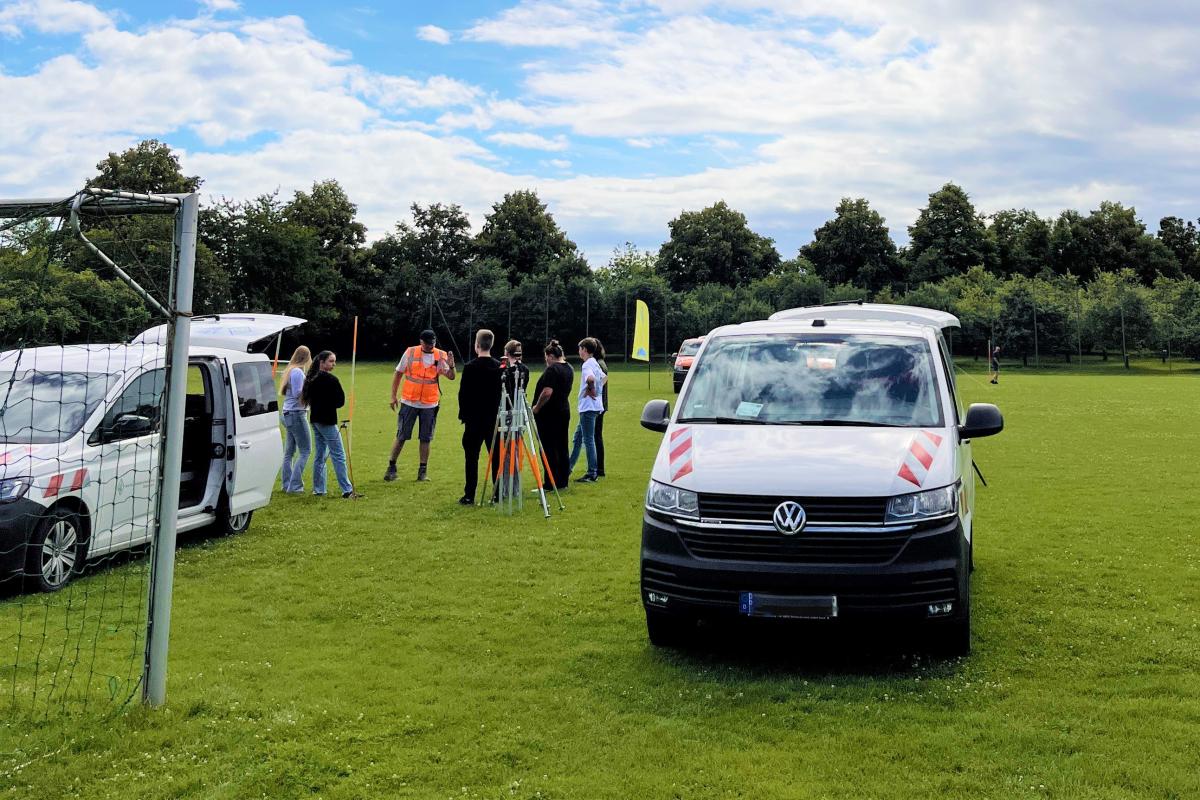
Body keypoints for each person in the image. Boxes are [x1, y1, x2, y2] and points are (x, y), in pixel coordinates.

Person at [386, 329, 456, 482]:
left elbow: (451, 377)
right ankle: (391, 468)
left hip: (430, 404)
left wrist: (451, 366)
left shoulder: (441, 355)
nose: (431, 346)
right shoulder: (410, 352)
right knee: (402, 435)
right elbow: (398, 373)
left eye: (433, 343)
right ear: (421, 342)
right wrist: (393, 396)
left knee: (426, 438)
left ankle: (422, 471)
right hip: (409, 401)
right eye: (428, 344)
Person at [301, 350, 354, 498]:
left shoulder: (311, 378)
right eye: (331, 361)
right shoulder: (331, 380)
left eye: (334, 361)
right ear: (322, 362)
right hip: (327, 421)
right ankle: (347, 490)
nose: (334, 364)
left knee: (320, 455)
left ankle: (319, 489)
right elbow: (340, 402)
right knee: (338, 454)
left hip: (315, 419)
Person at [457, 329, 502, 505]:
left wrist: (464, 415)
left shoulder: (469, 368)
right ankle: (497, 493)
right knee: (496, 457)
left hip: (474, 420)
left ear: (477, 345)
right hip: (494, 419)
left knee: (471, 458)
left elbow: (463, 395)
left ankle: (469, 494)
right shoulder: (499, 367)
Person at [531, 339, 573, 489]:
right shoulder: (568, 368)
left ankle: (550, 482)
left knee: (548, 448)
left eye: (545, 357)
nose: (545, 361)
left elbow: (547, 392)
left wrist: (537, 407)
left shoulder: (552, 369)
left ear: (550, 356)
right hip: (563, 411)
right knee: (562, 446)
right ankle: (563, 480)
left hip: (549, 414)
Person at [568, 337, 606, 483]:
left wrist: (590, 390)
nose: (579, 351)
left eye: (580, 348)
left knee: (588, 440)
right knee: (578, 439)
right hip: (595, 407)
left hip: (588, 408)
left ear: (584, 349)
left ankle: (592, 472)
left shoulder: (586, 365)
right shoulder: (595, 363)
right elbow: (604, 378)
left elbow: (590, 379)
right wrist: (597, 390)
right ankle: (568, 467)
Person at [278, 345, 312, 494]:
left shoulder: (289, 370)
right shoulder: (298, 371)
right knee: (305, 450)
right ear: (306, 357)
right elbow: (299, 392)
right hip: (297, 414)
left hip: (287, 413)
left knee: (289, 452)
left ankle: (286, 484)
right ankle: (295, 486)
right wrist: (311, 397)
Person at [593, 339, 609, 479]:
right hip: (602, 404)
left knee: (595, 437)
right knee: (597, 436)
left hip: (598, 405)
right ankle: (599, 468)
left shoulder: (598, 365)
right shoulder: (601, 363)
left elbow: (599, 385)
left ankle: (598, 468)